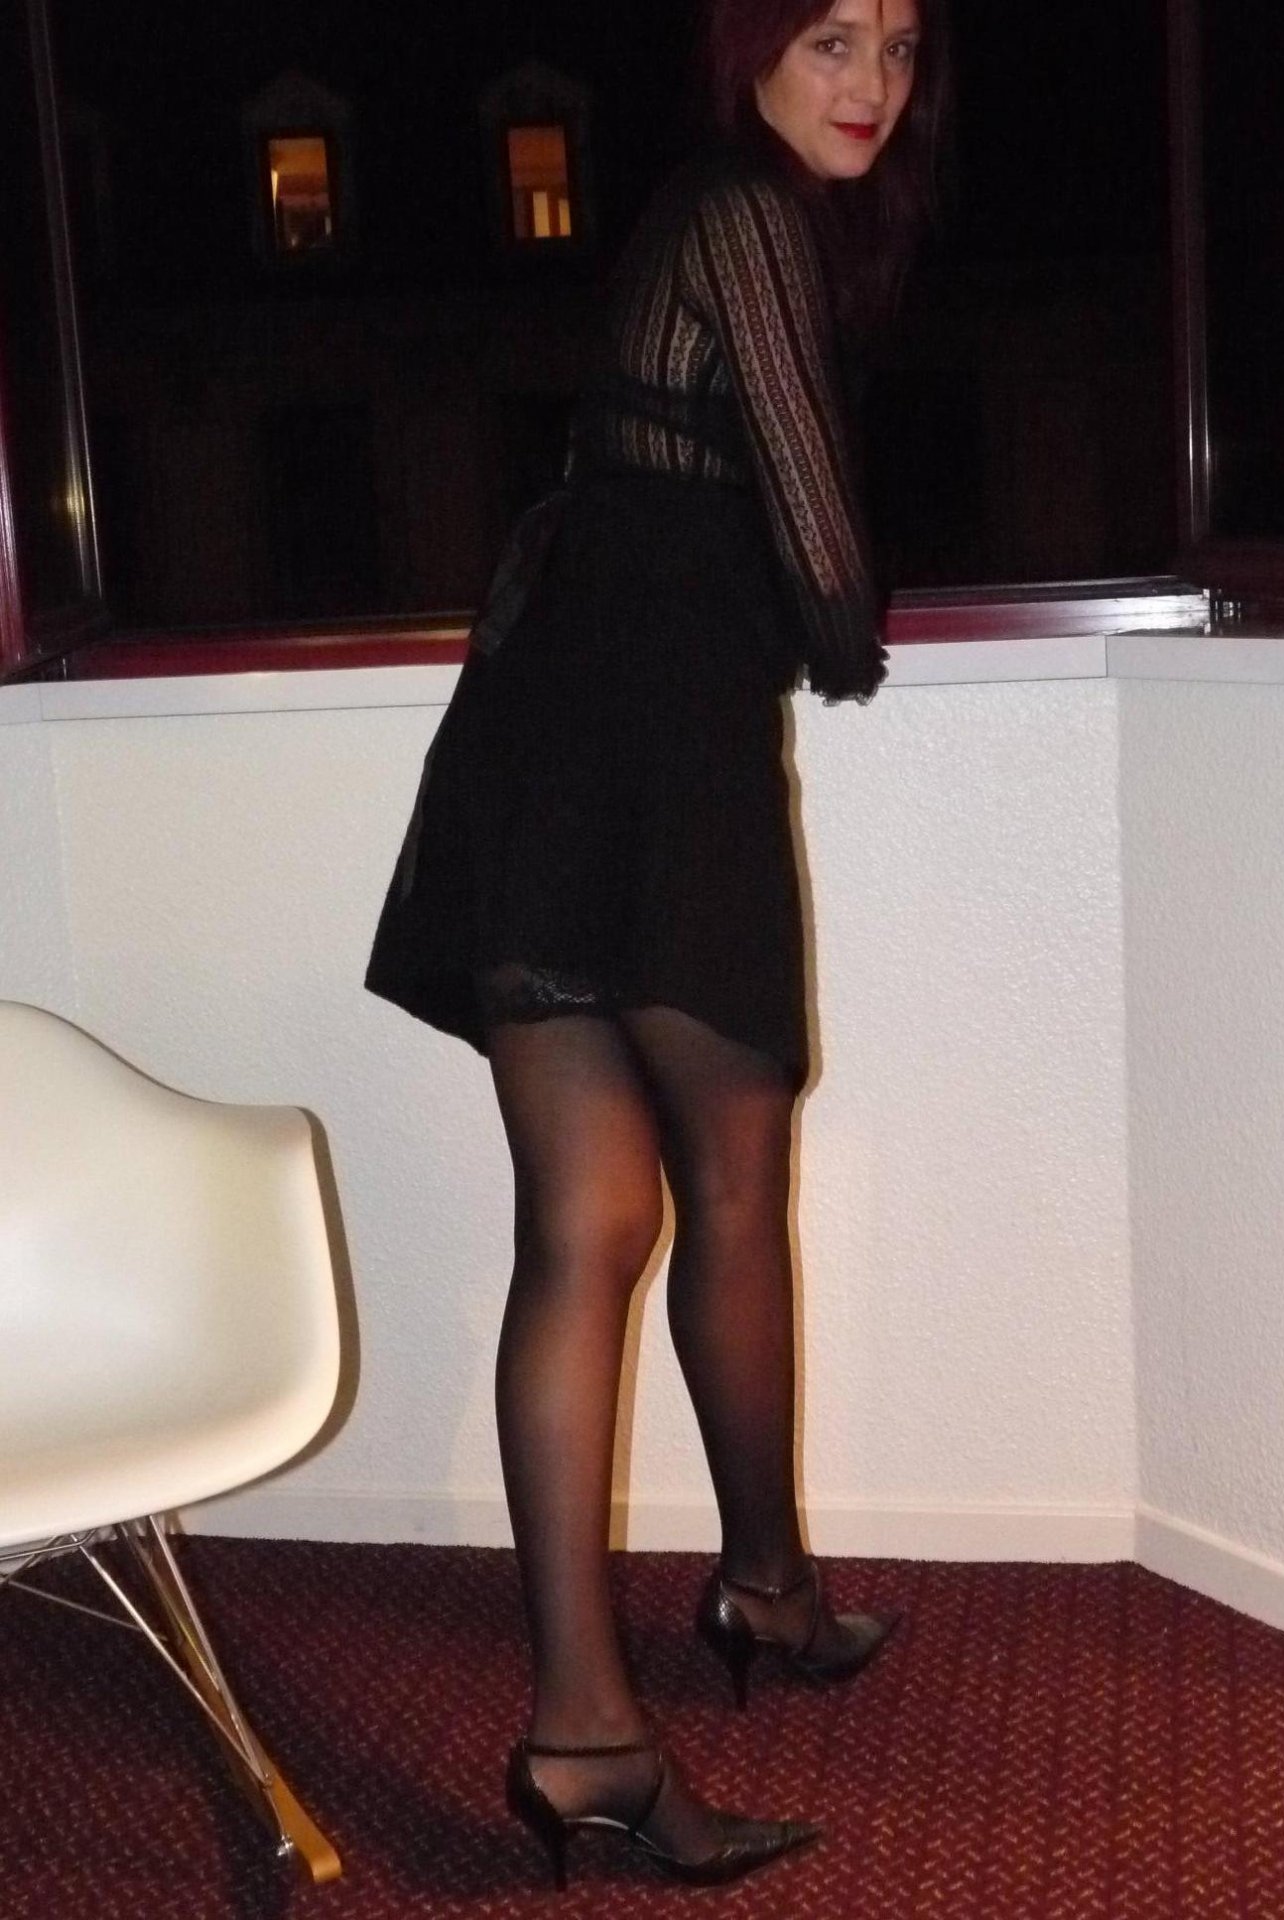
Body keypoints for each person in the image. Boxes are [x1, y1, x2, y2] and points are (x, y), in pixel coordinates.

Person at [365, 0, 948, 1888]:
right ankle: (750, 1599)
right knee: (728, 1190)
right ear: (750, 50)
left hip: (546, 750)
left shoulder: (697, 213)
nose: (872, 84)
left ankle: (598, 1729)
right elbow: (831, 571)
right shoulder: (750, 213)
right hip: (658, 761)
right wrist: (837, 614)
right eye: (833, 39)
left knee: (590, 1224)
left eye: (900, 46)